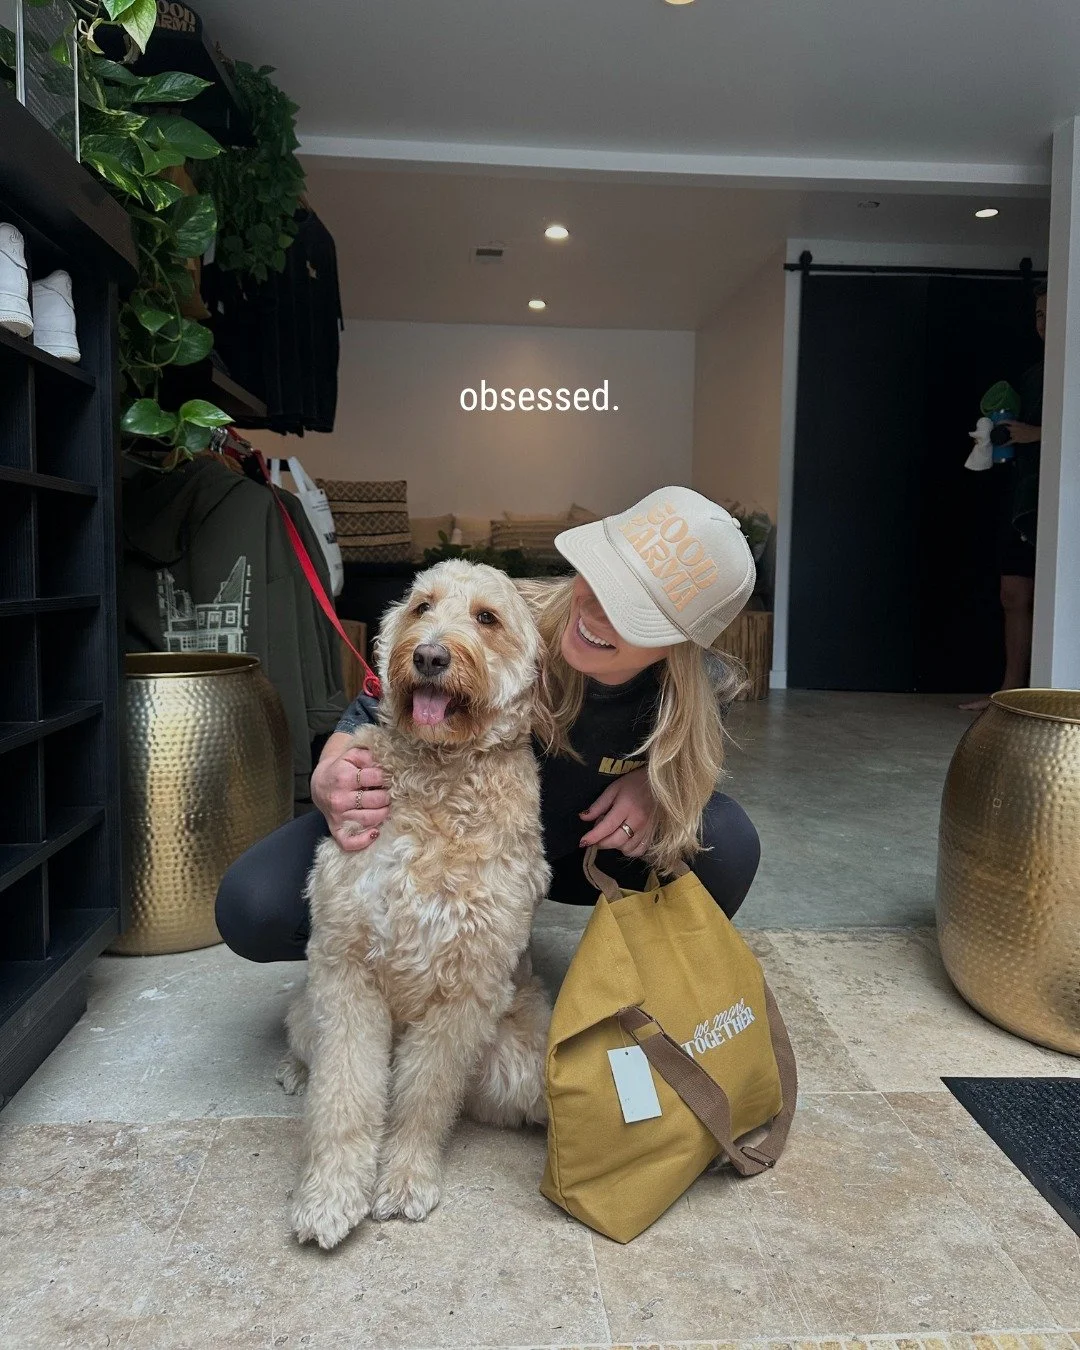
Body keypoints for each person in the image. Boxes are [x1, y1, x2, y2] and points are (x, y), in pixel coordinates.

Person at [216, 486, 762, 961]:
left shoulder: (699, 686)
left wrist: (653, 786)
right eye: (601, 574)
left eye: (633, 608)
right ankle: (395, 964)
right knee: (255, 906)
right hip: (440, 835)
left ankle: (641, 982)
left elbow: (699, 743)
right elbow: (378, 703)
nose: (593, 607)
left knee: (726, 841)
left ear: (680, 644)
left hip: (573, 852)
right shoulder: (501, 614)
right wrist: (328, 776)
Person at [961, 282, 1045, 712]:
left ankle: (1046, 696)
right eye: (1039, 316)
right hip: (1021, 497)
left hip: (1058, 506)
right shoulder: (1032, 373)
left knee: (1054, 597)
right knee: (1013, 595)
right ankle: (1009, 695)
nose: (1045, 325)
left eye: (1053, 315)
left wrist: (1039, 434)